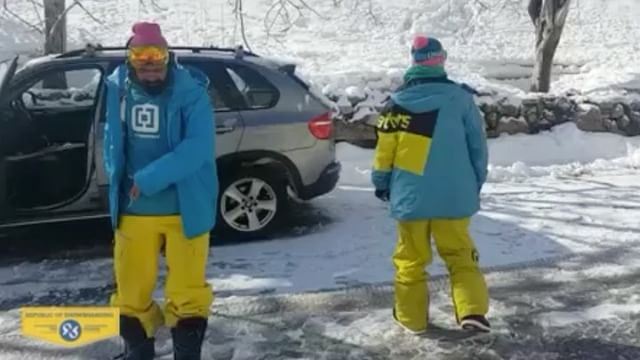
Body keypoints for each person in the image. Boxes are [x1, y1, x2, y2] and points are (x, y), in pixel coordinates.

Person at [103, 22, 218, 360]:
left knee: (188, 294)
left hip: (186, 209)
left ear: (168, 57)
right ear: (129, 58)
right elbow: (114, 140)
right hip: (134, 212)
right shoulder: (117, 89)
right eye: (140, 56)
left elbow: (198, 147)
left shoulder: (191, 91)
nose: (150, 63)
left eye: (157, 55)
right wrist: (116, 178)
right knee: (130, 292)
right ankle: (138, 352)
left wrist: (149, 177)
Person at [371, 35, 490, 335]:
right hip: (454, 195)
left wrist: (382, 183)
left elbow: (385, 154)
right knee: (461, 255)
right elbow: (478, 148)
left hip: (411, 197)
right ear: (441, 60)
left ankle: (412, 318)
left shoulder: (396, 104)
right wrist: (474, 183)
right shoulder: (461, 99)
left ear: (414, 61)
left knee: (410, 259)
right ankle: (472, 311)